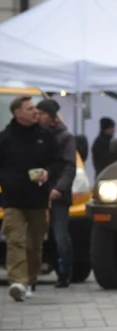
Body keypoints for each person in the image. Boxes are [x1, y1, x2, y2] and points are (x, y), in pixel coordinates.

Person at [1, 96, 61, 301]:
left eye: (35, 107)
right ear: (17, 113)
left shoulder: (46, 135)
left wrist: (48, 173)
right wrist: (7, 182)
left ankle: (30, 279)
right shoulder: (5, 138)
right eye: (30, 108)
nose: (36, 111)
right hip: (12, 199)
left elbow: (57, 161)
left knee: (34, 245)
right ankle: (18, 281)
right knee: (15, 240)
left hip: (38, 198)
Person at [36, 99, 78, 288]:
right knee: (38, 234)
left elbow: (70, 166)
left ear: (51, 115)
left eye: (42, 113)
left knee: (60, 235)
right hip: (39, 191)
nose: (39, 116)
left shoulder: (65, 137)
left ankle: (64, 272)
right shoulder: (38, 134)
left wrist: (59, 188)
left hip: (58, 193)